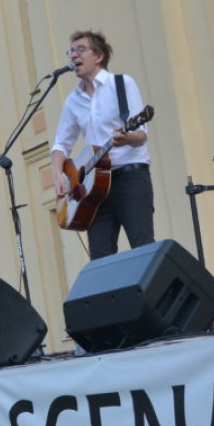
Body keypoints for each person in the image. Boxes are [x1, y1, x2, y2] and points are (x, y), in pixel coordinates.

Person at [51, 30, 154, 259]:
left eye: (80, 50)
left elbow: (141, 135)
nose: (73, 56)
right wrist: (58, 174)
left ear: (98, 56)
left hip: (129, 178)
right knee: (100, 261)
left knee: (143, 250)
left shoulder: (122, 84)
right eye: (71, 51)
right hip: (93, 189)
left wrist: (126, 138)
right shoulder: (73, 100)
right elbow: (60, 145)